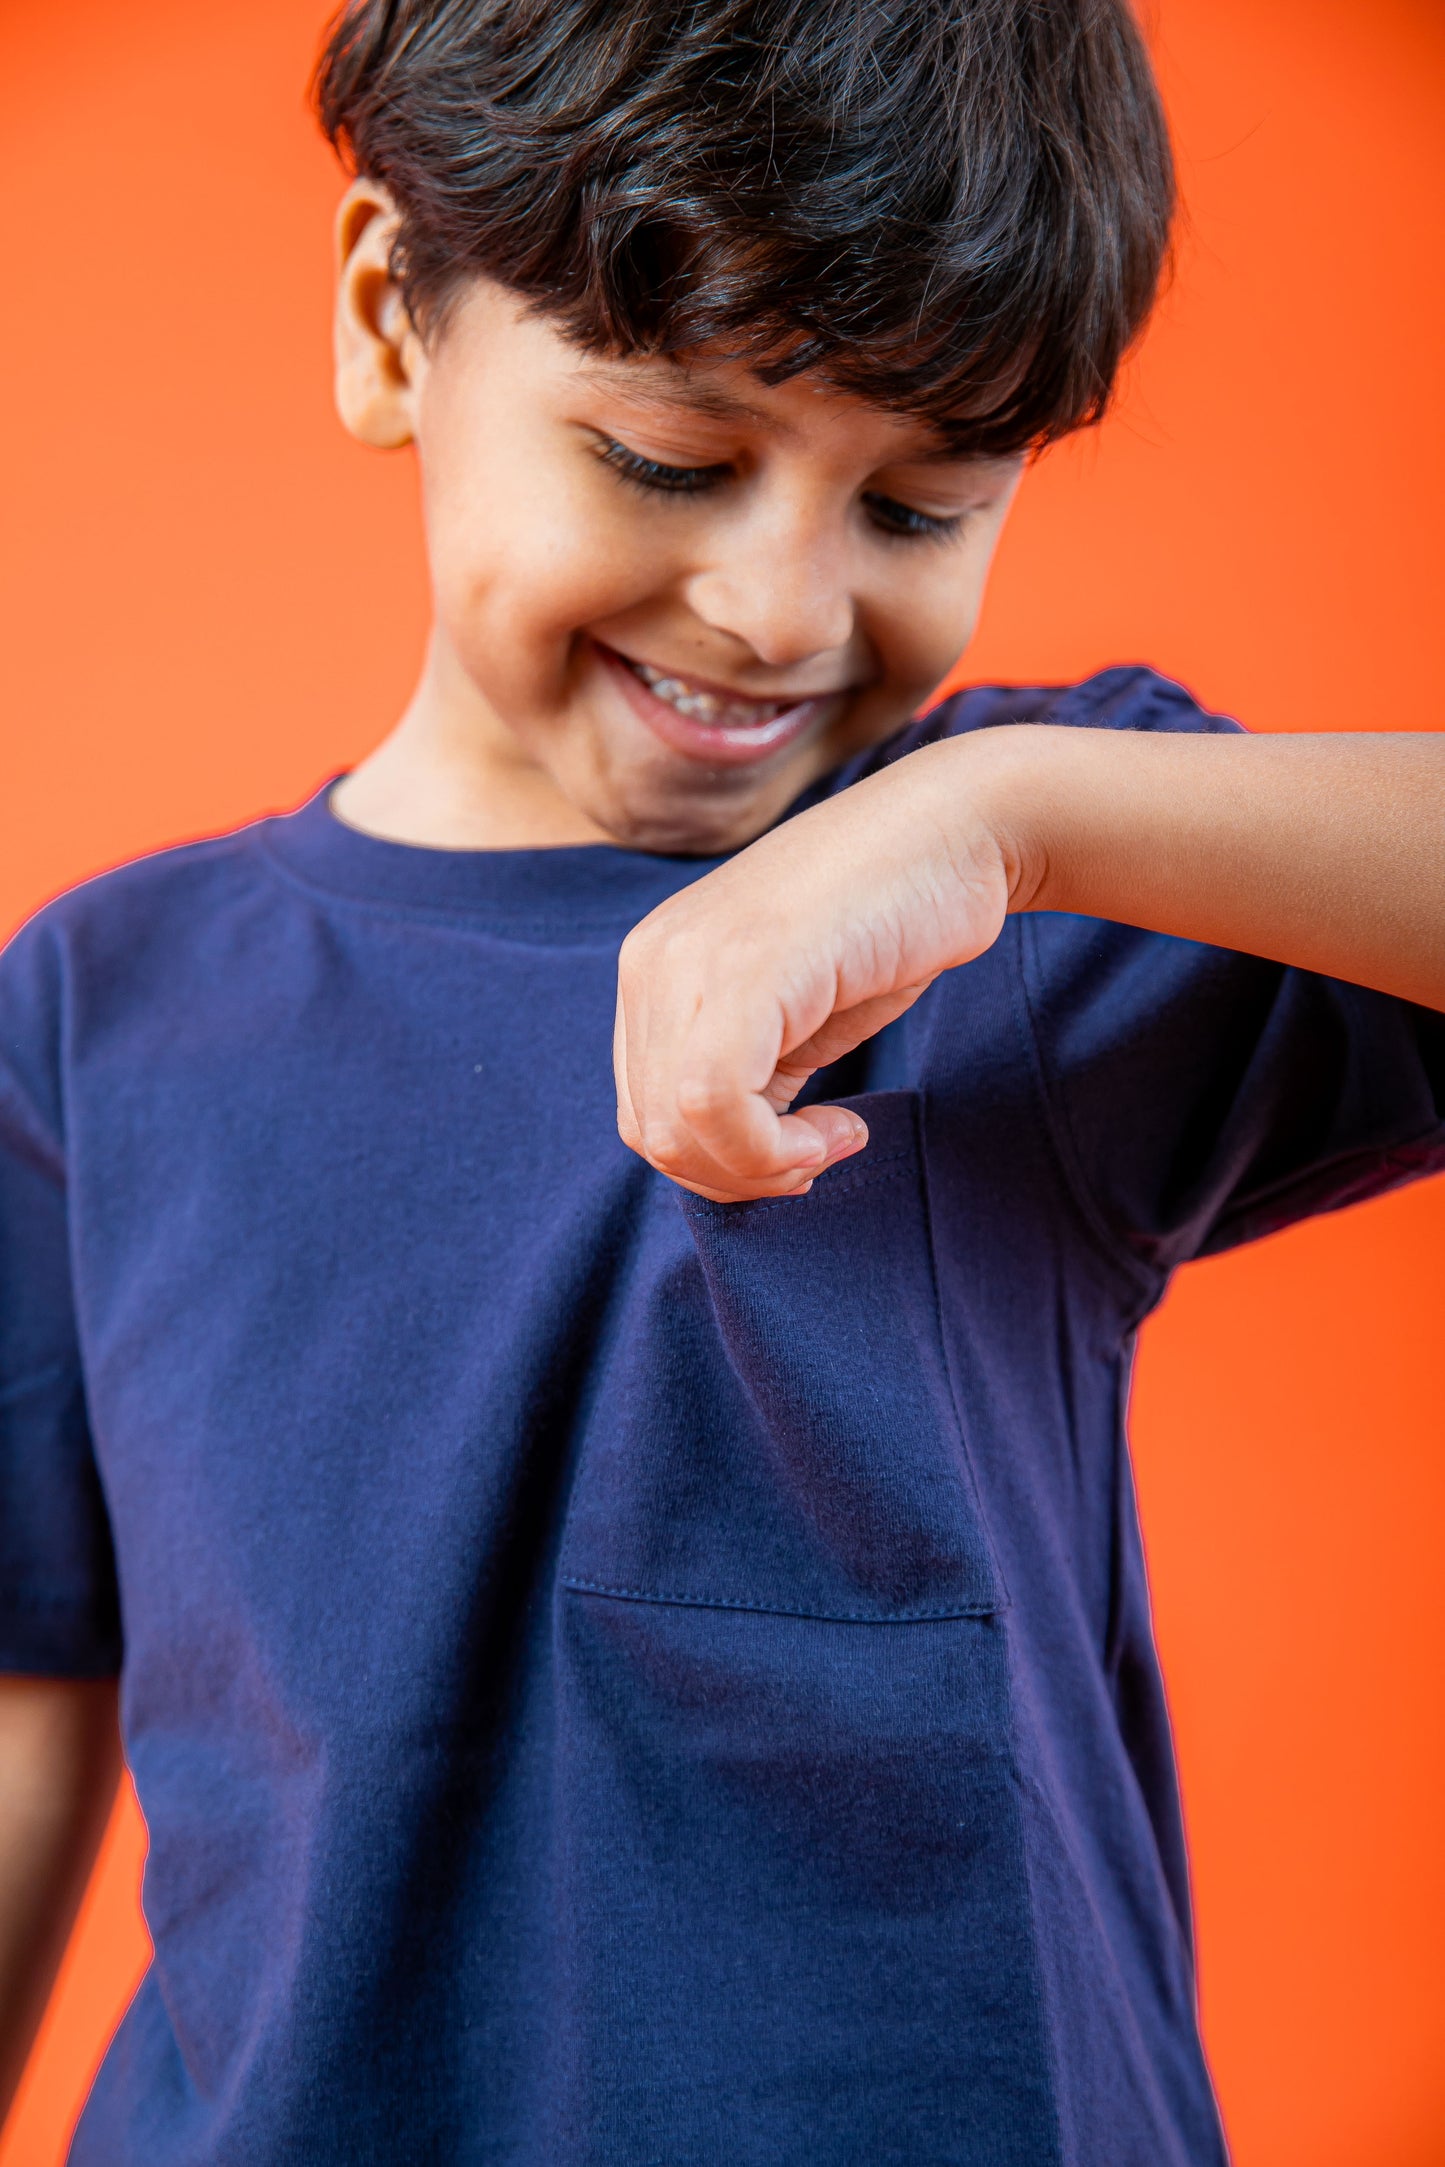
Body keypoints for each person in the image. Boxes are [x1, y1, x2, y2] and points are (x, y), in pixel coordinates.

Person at [0, 0, 1441, 2158]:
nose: (777, 609)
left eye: (924, 504)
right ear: (397, 320)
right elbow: (30, 1708)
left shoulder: (1027, 894)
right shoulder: (97, 1016)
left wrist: (1026, 815)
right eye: (669, 459)